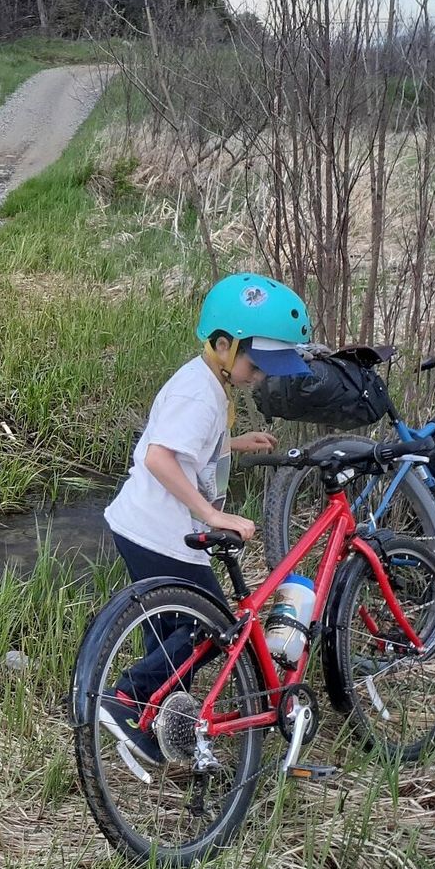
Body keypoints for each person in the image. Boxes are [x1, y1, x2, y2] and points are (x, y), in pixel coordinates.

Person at [98, 272, 314, 780]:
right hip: (160, 533)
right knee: (210, 627)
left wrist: (230, 445)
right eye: (255, 365)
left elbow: (183, 444)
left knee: (170, 633)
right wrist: (213, 515)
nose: (258, 376)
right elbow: (159, 457)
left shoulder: (207, 384)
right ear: (222, 345)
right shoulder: (200, 393)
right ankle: (126, 698)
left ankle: (153, 723)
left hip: (144, 527)